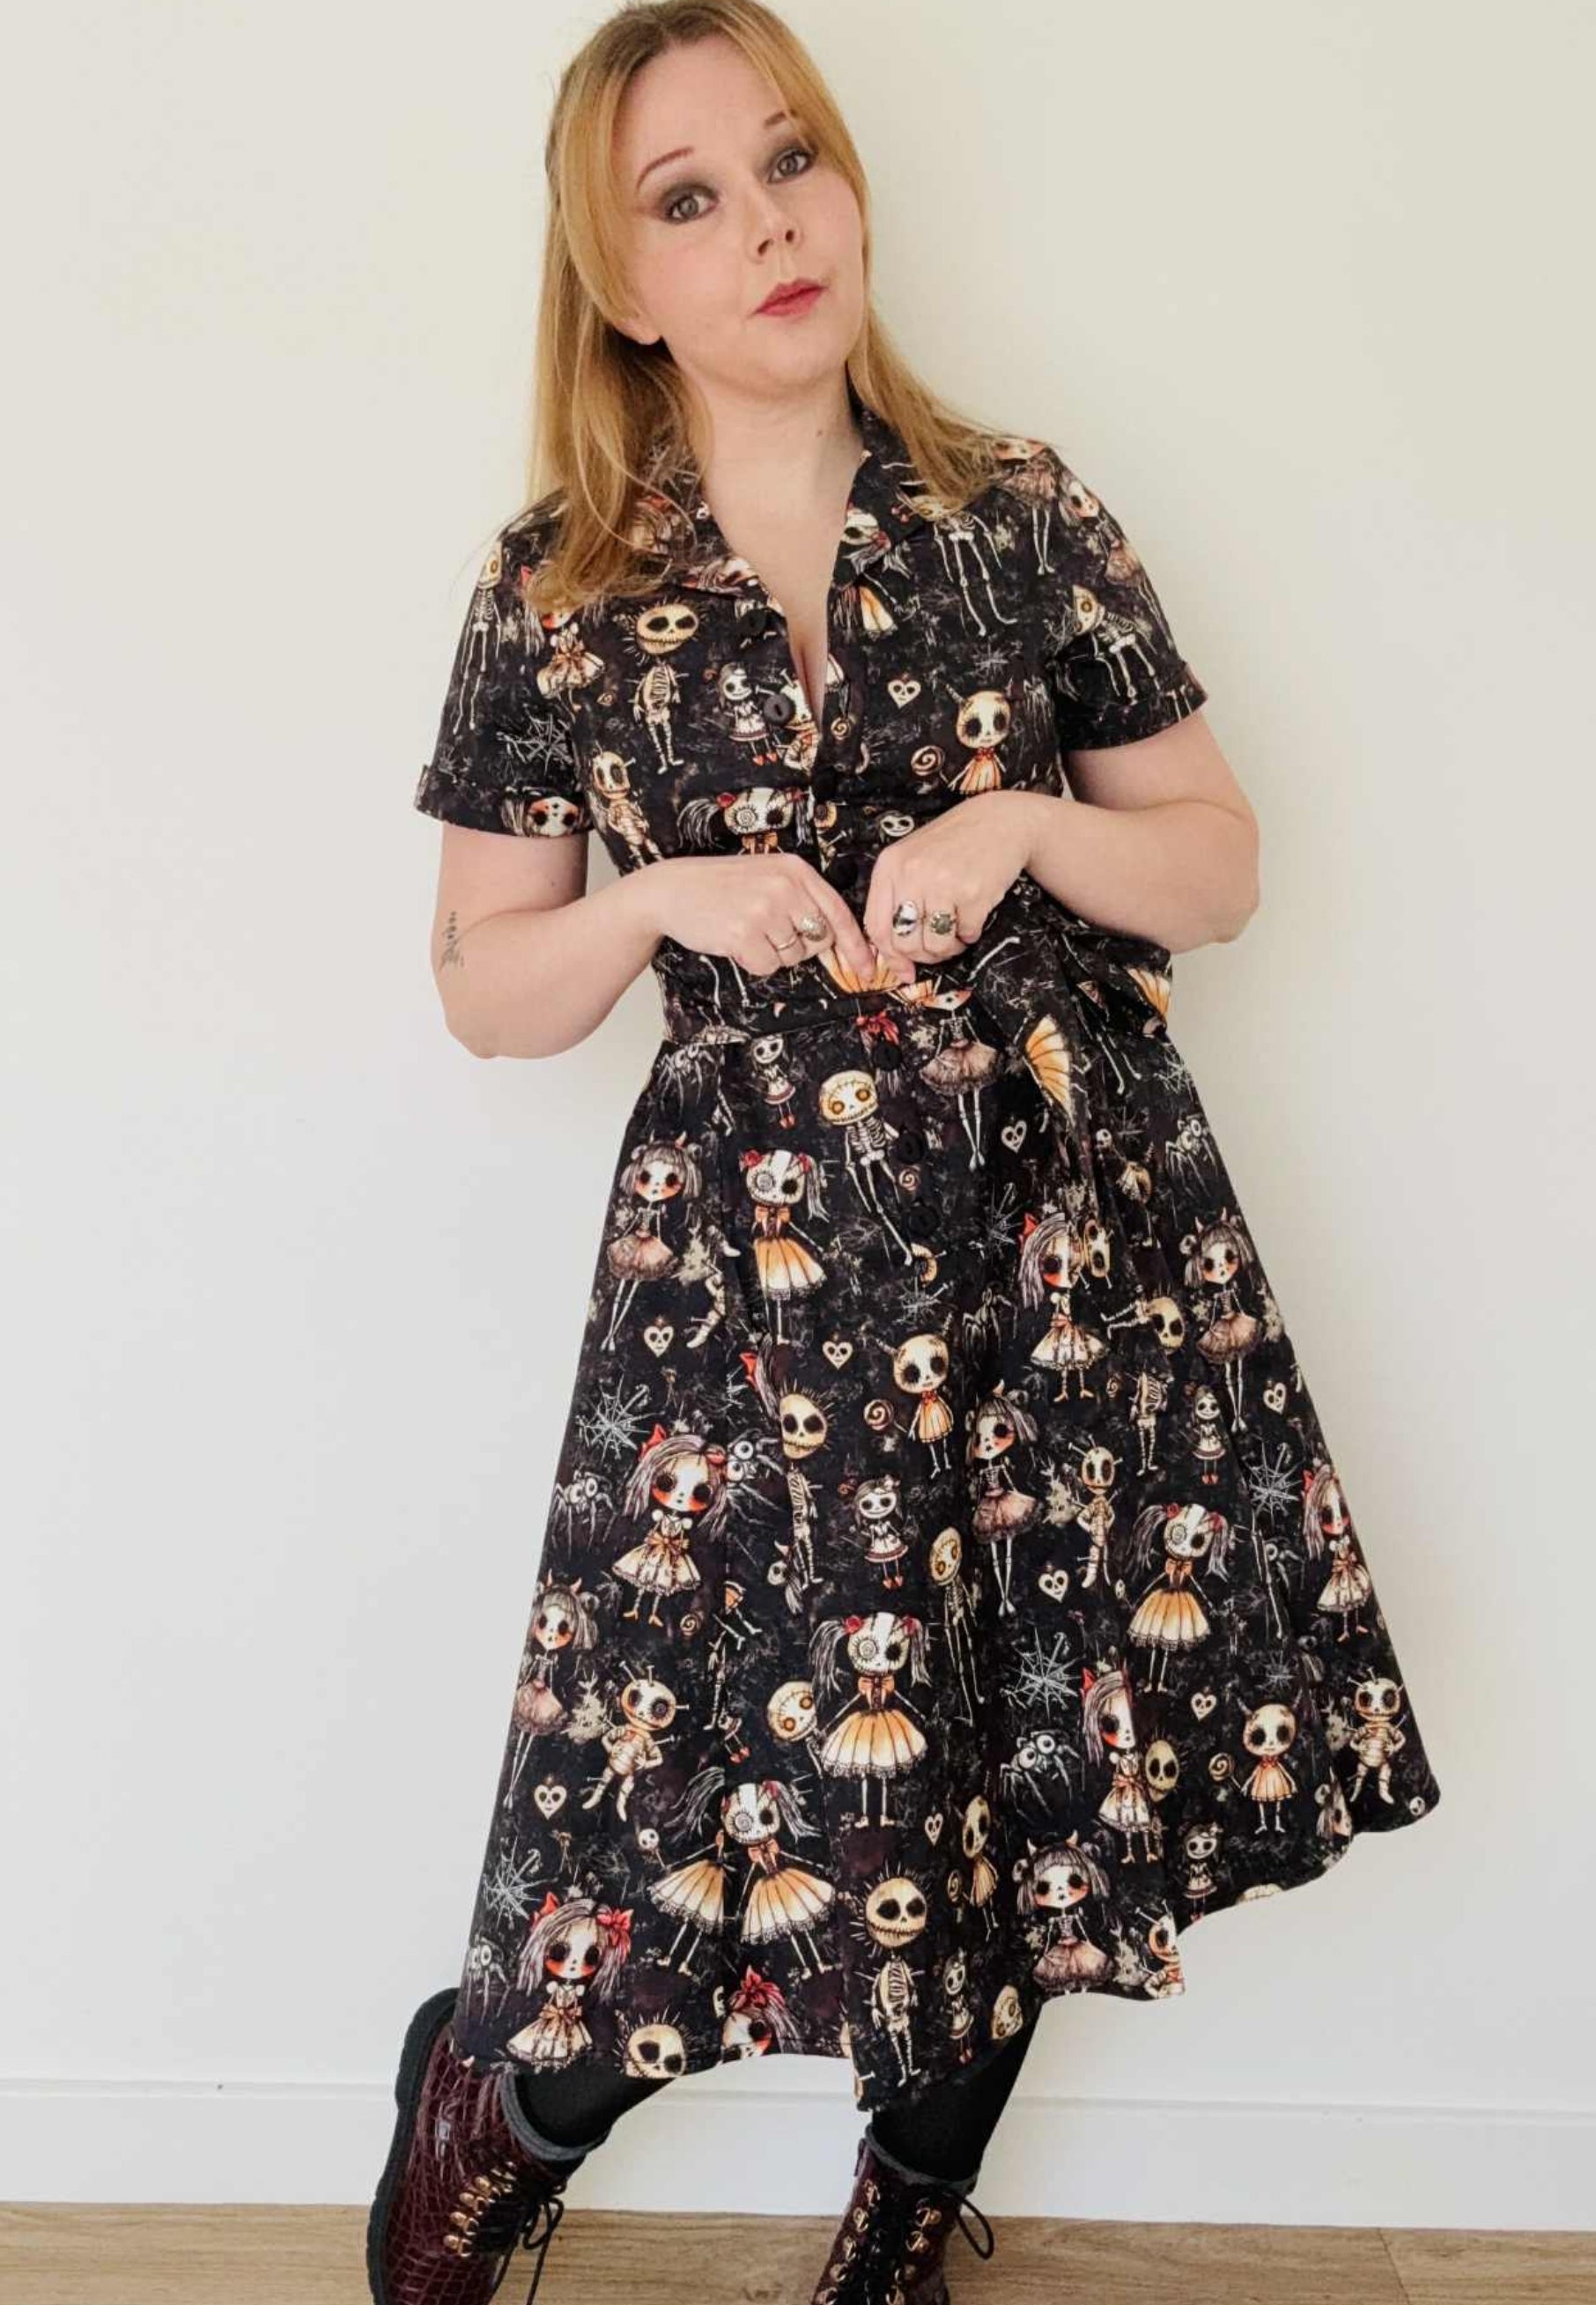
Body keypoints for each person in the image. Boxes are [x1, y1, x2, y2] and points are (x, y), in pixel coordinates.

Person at [366, 4, 1444, 2301]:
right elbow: (482, 980)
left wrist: (1030, 819)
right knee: (675, 1798)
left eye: (793, 160)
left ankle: (901, 2227)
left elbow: (1219, 864)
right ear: (618, 277)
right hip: (742, 1287)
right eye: (688, 197)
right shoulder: (558, 582)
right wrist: (655, 900)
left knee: (1018, 1767)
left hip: (1056, 1238)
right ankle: (501, 2096)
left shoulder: (1016, 513)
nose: (769, 224)